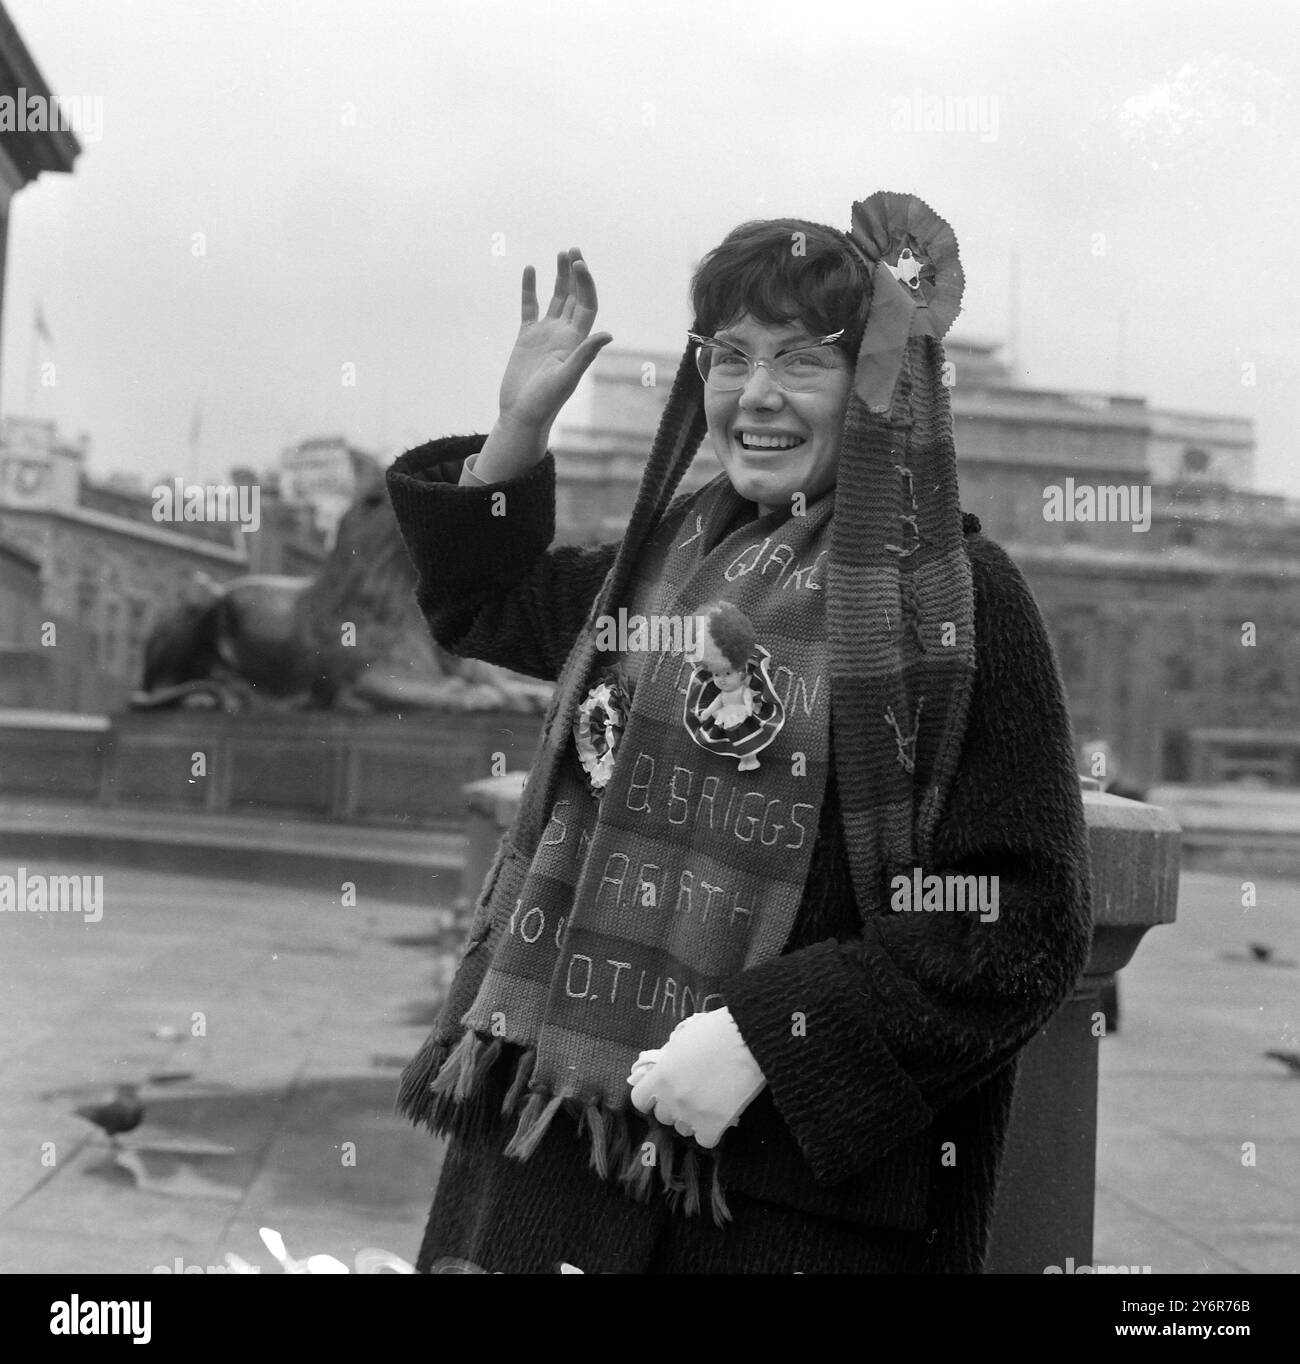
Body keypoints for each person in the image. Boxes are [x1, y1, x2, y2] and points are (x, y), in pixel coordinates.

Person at [386, 193, 1093, 1274]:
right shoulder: (658, 564)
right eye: (728, 356)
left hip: (777, 1202)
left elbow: (1016, 917)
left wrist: (777, 1032)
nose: (753, 394)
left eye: (802, 360)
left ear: (873, 383)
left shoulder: (954, 600)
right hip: (550, 1165)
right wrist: (517, 433)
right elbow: (485, 602)